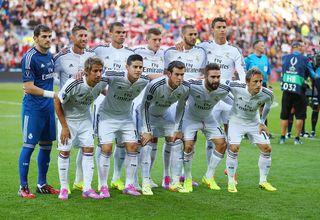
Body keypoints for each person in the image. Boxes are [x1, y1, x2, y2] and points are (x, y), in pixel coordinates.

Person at [96, 54, 149, 196]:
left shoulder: (143, 80)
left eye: (140, 67)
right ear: (127, 67)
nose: (138, 70)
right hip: (107, 116)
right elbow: (96, 79)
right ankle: (103, 186)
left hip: (126, 117)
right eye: (135, 67)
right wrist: (104, 91)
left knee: (132, 147)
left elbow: (158, 76)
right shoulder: (115, 75)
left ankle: (129, 185)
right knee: (106, 149)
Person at [55, 57, 108, 200]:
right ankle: (64, 188)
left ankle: (87, 188)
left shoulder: (101, 82)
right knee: (65, 152)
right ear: (86, 72)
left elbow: (106, 90)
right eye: (95, 71)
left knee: (88, 149)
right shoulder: (74, 83)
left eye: (100, 71)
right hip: (68, 121)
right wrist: (64, 127)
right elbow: (57, 101)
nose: (98, 74)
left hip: (85, 120)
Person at [197, 17, 246, 169]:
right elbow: (191, 54)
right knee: (211, 137)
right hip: (210, 98)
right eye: (218, 27)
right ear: (212, 29)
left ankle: (230, 169)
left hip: (228, 98)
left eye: (224, 26)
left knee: (232, 134)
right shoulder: (204, 47)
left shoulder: (234, 50)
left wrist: (244, 89)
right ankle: (210, 170)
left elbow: (241, 72)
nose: (222, 29)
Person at [163, 24, 207, 188]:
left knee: (190, 139)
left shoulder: (201, 52)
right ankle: (167, 176)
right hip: (174, 98)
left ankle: (182, 174)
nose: (193, 37)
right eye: (190, 34)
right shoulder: (171, 52)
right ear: (182, 35)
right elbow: (164, 74)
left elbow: (203, 72)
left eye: (195, 34)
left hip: (192, 99)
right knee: (172, 137)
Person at [18, 24, 59, 198]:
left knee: (46, 147)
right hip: (33, 109)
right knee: (29, 146)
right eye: (44, 36)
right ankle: (23, 187)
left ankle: (42, 184)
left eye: (50, 36)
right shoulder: (29, 58)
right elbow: (28, 87)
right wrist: (53, 94)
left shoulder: (50, 56)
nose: (48, 39)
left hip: (48, 109)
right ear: (35, 38)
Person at [54, 25, 95, 192]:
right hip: (67, 111)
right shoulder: (62, 57)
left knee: (86, 147)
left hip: (85, 111)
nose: (84, 38)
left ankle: (81, 183)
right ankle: (65, 187)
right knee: (66, 149)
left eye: (86, 35)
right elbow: (49, 74)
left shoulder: (92, 56)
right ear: (73, 37)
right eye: (80, 36)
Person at [93, 22, 134, 191]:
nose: (122, 35)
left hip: (123, 104)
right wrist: (104, 91)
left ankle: (117, 178)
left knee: (123, 143)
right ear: (110, 33)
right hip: (102, 102)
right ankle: (98, 181)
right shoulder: (100, 51)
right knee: (102, 143)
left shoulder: (130, 53)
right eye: (118, 32)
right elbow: (93, 73)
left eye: (124, 32)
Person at [140, 60, 190, 193]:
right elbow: (143, 106)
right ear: (168, 74)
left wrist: (177, 129)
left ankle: (175, 182)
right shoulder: (155, 85)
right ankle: (145, 183)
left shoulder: (185, 87)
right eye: (177, 74)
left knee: (177, 141)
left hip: (164, 114)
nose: (180, 78)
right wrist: (146, 129)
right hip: (147, 114)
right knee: (146, 144)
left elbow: (181, 107)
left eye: (182, 75)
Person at [182, 63, 231, 192]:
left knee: (222, 144)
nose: (216, 80)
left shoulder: (223, 89)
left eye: (218, 77)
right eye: (212, 77)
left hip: (208, 118)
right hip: (190, 118)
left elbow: (235, 103)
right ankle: (187, 179)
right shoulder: (192, 84)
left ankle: (209, 176)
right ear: (205, 76)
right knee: (188, 146)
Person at [226, 68, 276, 193]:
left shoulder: (267, 94)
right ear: (247, 82)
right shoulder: (237, 86)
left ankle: (263, 181)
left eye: (260, 81)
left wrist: (262, 122)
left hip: (254, 122)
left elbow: (268, 106)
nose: (259, 85)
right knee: (233, 148)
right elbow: (223, 84)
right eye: (255, 81)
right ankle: (231, 182)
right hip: (236, 121)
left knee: (267, 148)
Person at [133, 28, 165, 189]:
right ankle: (135, 180)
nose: (158, 43)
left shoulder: (164, 54)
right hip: (139, 100)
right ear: (147, 39)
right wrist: (153, 76)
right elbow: (132, 70)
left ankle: (148, 176)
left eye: (160, 40)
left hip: (156, 102)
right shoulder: (138, 52)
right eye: (155, 40)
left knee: (153, 139)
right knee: (140, 140)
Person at [279, 41, 318, 145]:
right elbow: (313, 75)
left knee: (284, 114)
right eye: (302, 46)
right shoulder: (305, 59)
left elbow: (283, 72)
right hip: (299, 90)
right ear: (299, 48)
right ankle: (297, 139)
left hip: (287, 89)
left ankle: (282, 138)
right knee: (300, 116)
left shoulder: (284, 57)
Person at [245, 39, 272, 129]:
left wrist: (270, 86)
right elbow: (243, 71)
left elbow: (268, 73)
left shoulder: (265, 58)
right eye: (262, 45)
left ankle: (263, 128)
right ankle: (247, 130)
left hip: (263, 84)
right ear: (256, 47)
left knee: (263, 108)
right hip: (251, 86)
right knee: (250, 108)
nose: (263, 47)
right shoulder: (249, 59)